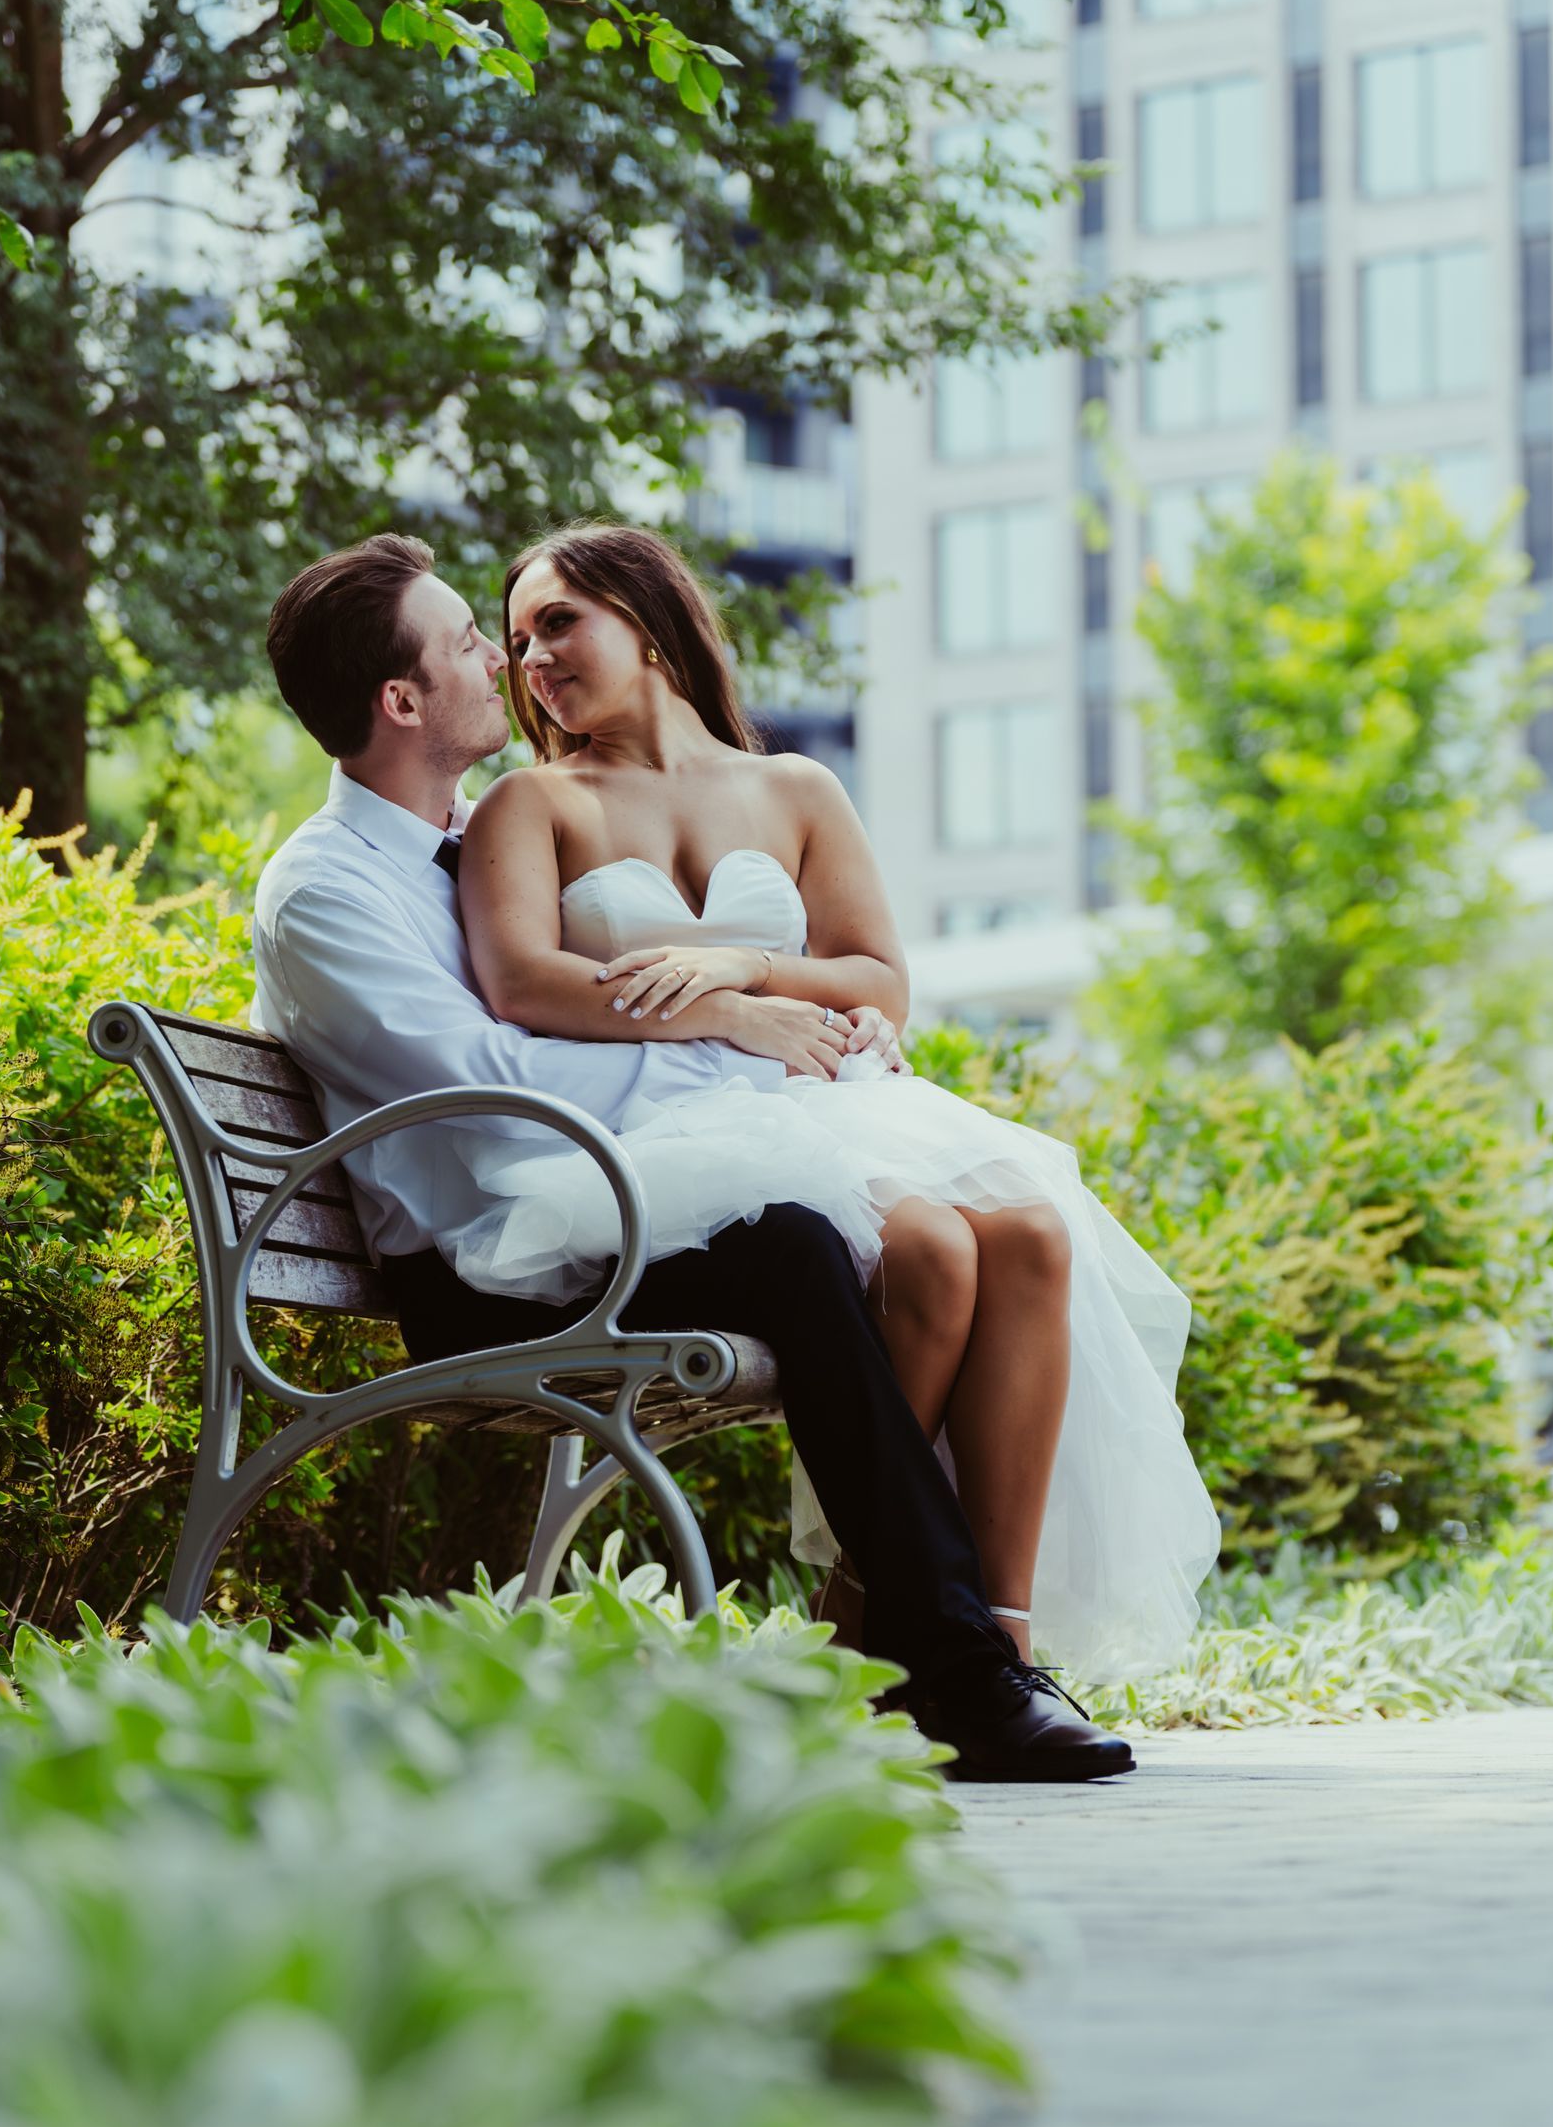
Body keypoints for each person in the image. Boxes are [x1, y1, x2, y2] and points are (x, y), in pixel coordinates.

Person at [251, 532, 1134, 1779]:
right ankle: (952, 1672)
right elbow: (492, 1084)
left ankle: (934, 1651)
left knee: (948, 1229)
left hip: (593, 1199)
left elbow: (596, 1021)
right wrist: (734, 1030)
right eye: (471, 640)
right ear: (402, 700)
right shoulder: (326, 892)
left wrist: (766, 1016)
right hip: (489, 1254)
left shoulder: (460, 843)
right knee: (796, 1240)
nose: (502, 662)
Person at [453, 521, 1220, 1687]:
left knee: (1027, 1234)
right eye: (514, 641)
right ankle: (886, 1621)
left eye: (559, 621)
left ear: (650, 622)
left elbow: (877, 977)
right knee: (927, 1249)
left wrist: (746, 970)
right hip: (671, 1124)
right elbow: (520, 980)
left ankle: (993, 1649)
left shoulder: (795, 788)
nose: (532, 659)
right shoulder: (533, 805)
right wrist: (709, 1010)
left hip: (823, 1097)